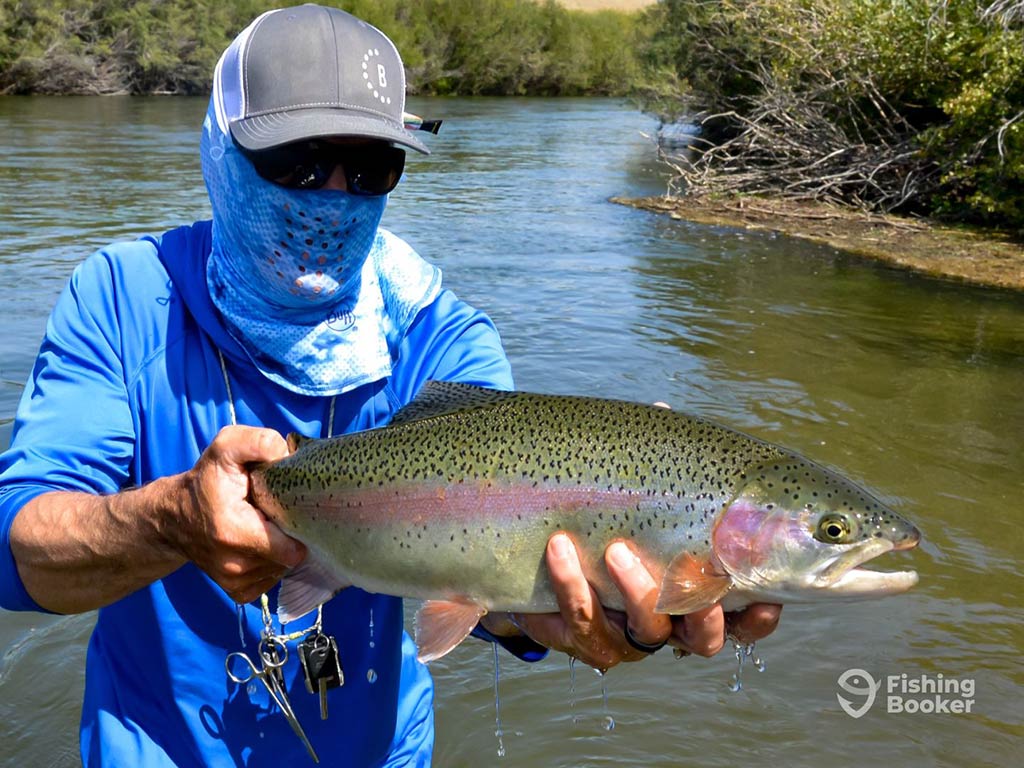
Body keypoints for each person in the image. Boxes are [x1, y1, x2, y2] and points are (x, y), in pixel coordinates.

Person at [0, 5, 781, 766]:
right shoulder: (122, 297)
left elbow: (485, 591)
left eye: (372, 167)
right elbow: (16, 554)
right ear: (217, 147)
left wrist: (560, 615)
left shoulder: (444, 340)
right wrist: (170, 522)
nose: (334, 196)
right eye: (298, 161)